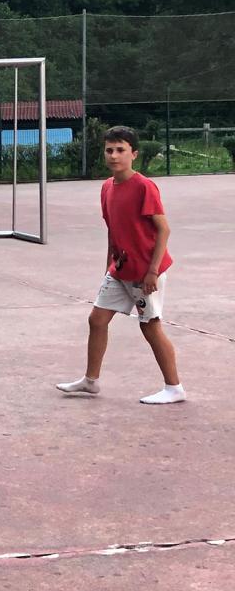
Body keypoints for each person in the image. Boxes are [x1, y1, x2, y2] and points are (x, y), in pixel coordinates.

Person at [57, 126, 185, 404]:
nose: (114, 156)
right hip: (120, 269)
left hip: (145, 272)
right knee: (97, 319)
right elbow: (113, 230)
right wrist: (108, 267)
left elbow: (163, 229)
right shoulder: (106, 187)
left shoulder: (144, 187)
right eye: (109, 150)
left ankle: (174, 388)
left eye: (120, 150)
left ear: (133, 154)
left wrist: (152, 272)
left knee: (150, 326)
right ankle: (90, 381)